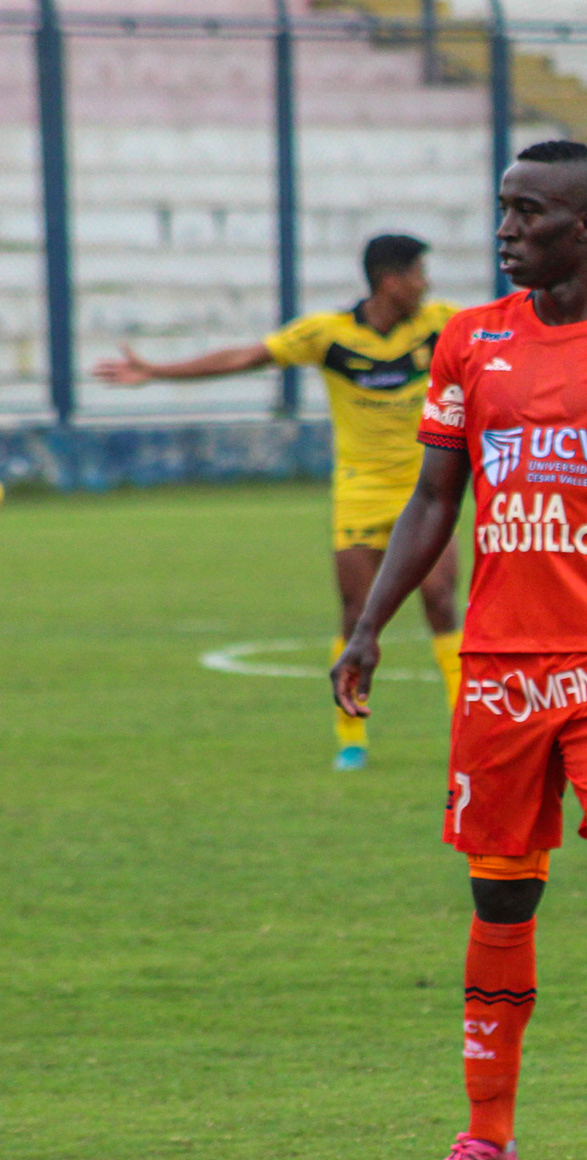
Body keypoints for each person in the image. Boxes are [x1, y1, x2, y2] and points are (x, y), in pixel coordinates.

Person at [329, 140, 587, 1160]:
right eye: (503, 209)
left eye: (526, 212)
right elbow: (434, 496)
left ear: (584, 226)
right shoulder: (469, 341)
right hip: (500, 666)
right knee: (502, 900)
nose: (505, 229)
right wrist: (369, 625)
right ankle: (488, 1132)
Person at [93, 234, 465, 768]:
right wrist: (156, 371)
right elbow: (247, 356)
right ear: (390, 281)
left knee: (442, 602)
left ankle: (466, 730)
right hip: (359, 492)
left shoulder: (443, 324)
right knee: (357, 613)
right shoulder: (327, 334)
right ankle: (351, 739)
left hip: (424, 491)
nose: (425, 284)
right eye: (418, 274)